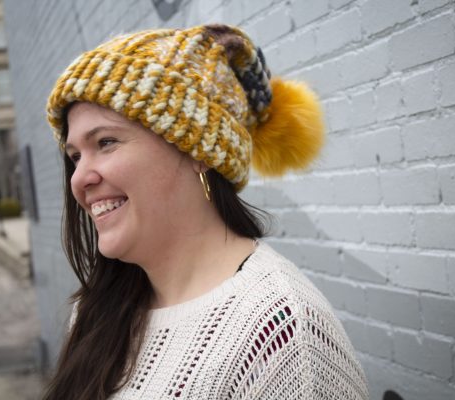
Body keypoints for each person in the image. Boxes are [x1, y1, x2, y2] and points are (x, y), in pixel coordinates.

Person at [42, 24, 368, 400]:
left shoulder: (282, 337)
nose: (80, 178)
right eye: (75, 156)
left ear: (199, 151)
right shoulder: (97, 310)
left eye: (106, 142)